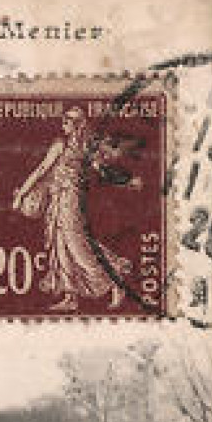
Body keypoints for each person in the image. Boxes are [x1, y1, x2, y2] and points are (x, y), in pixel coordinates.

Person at [10, 105, 138, 313]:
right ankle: (70, 296)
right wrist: (22, 194)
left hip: (71, 200)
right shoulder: (59, 145)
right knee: (60, 245)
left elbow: (103, 170)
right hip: (56, 200)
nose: (64, 125)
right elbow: (41, 170)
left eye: (68, 122)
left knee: (77, 245)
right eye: (64, 121)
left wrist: (128, 181)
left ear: (77, 125)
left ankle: (115, 282)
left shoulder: (85, 148)